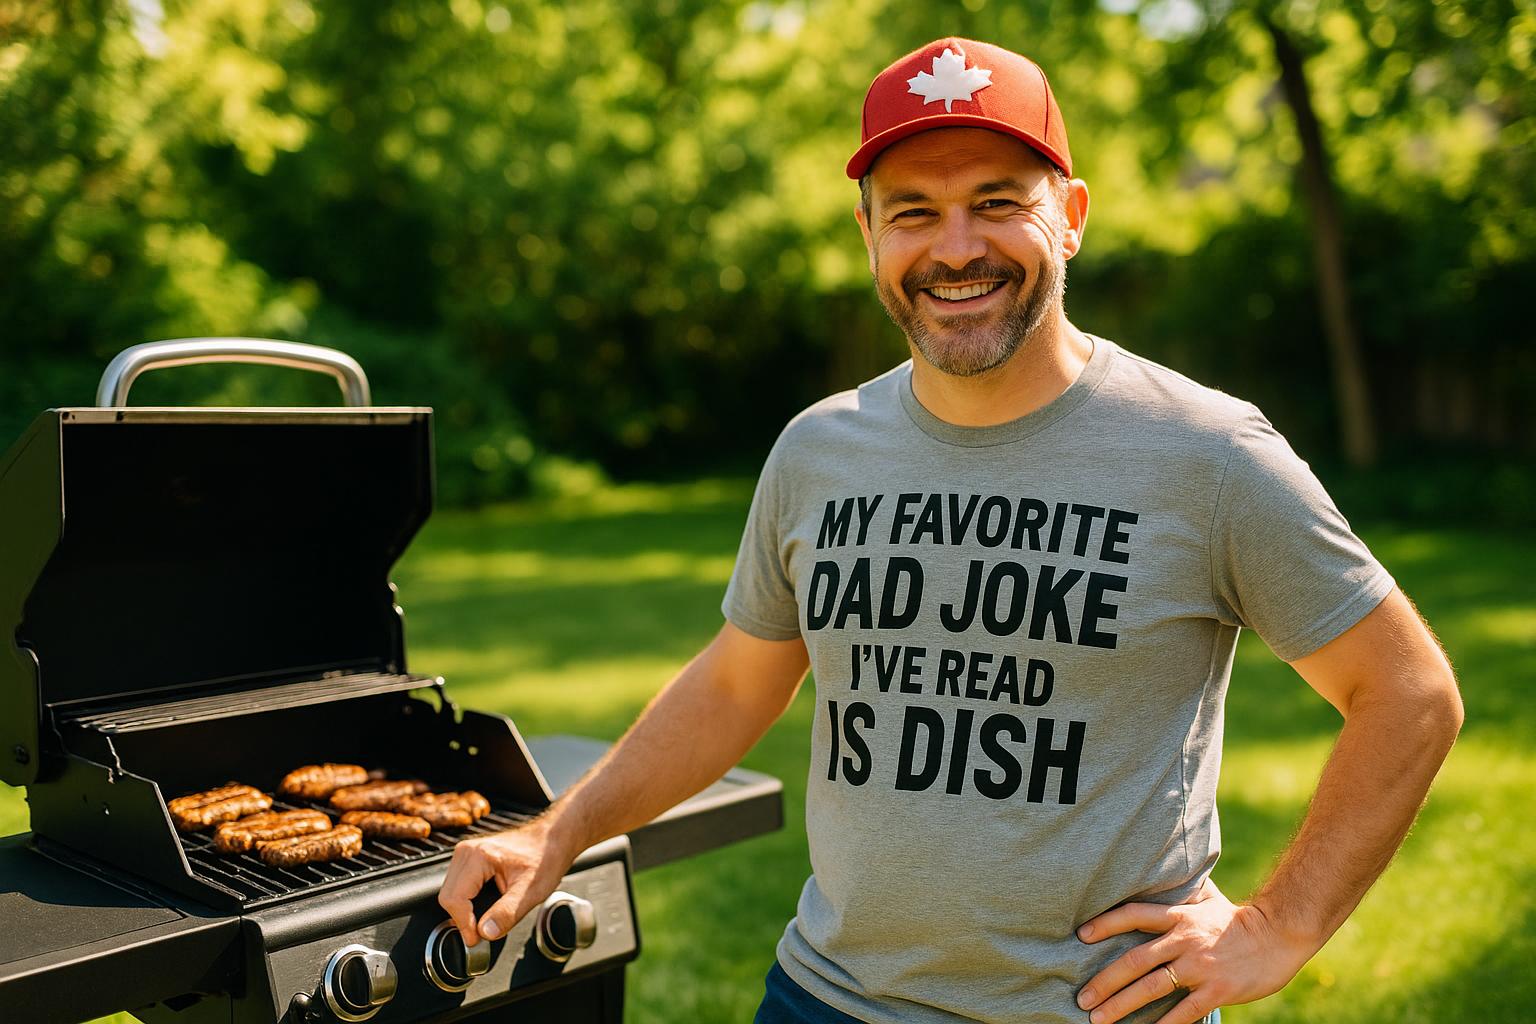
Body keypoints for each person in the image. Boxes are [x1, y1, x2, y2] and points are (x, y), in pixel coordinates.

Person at [438, 37, 1464, 1024]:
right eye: (915, 211)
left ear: (1071, 217)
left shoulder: (1208, 456)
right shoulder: (817, 451)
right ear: (869, 234)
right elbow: (738, 681)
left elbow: (1408, 693)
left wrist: (1278, 925)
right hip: (821, 1001)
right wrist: (558, 833)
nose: (956, 247)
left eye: (997, 203)